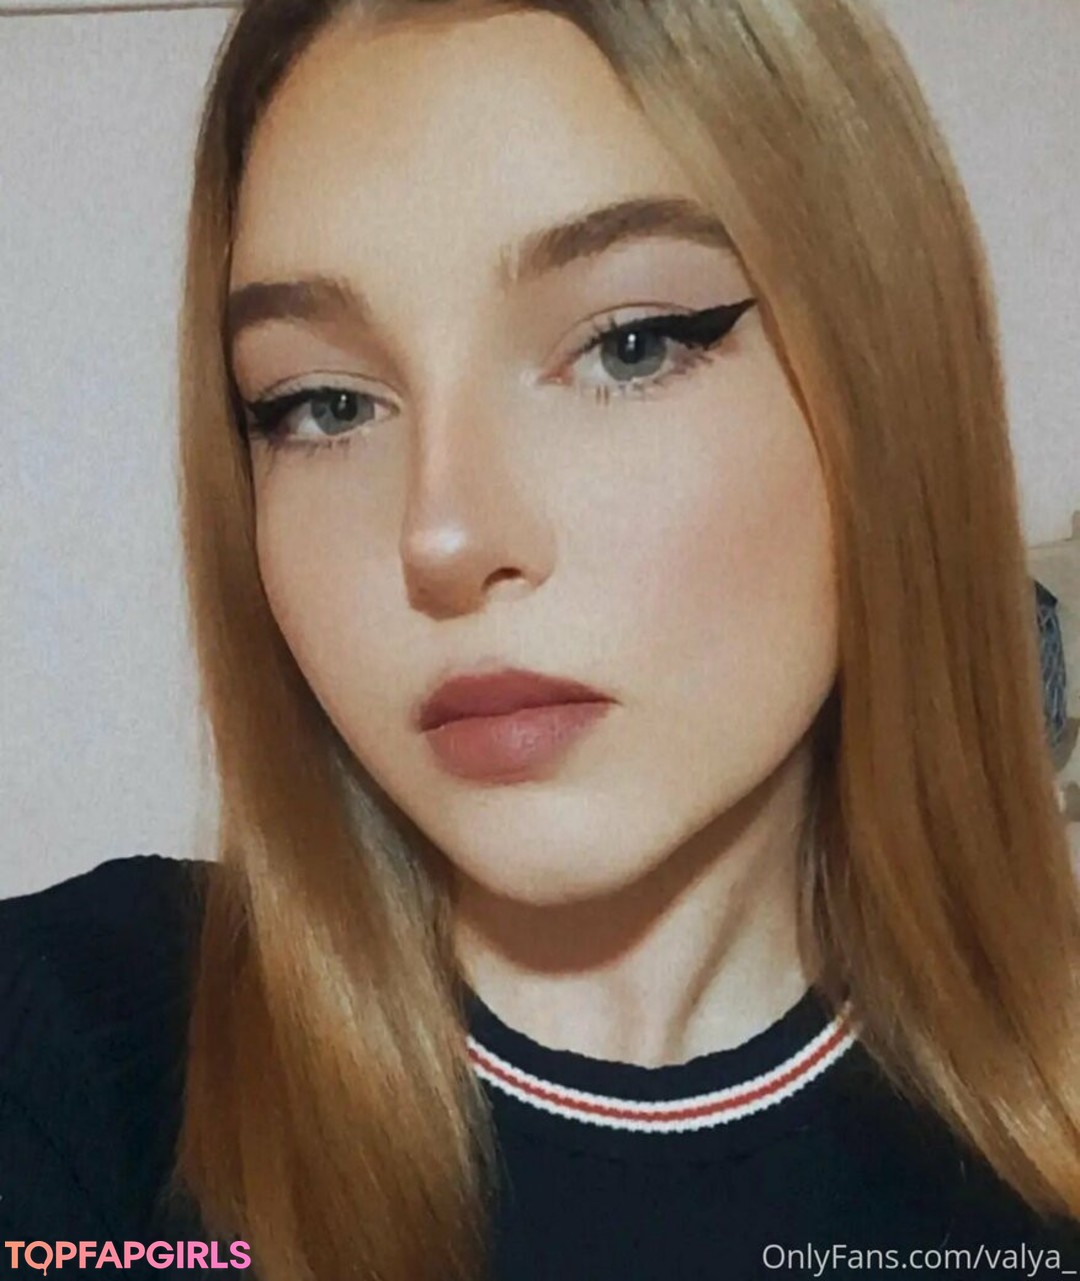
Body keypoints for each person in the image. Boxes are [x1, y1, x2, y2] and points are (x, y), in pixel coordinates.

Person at [2, 1, 1079, 1278]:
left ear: (888, 383)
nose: (444, 534)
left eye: (628, 346)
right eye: (323, 404)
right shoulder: (72, 1059)